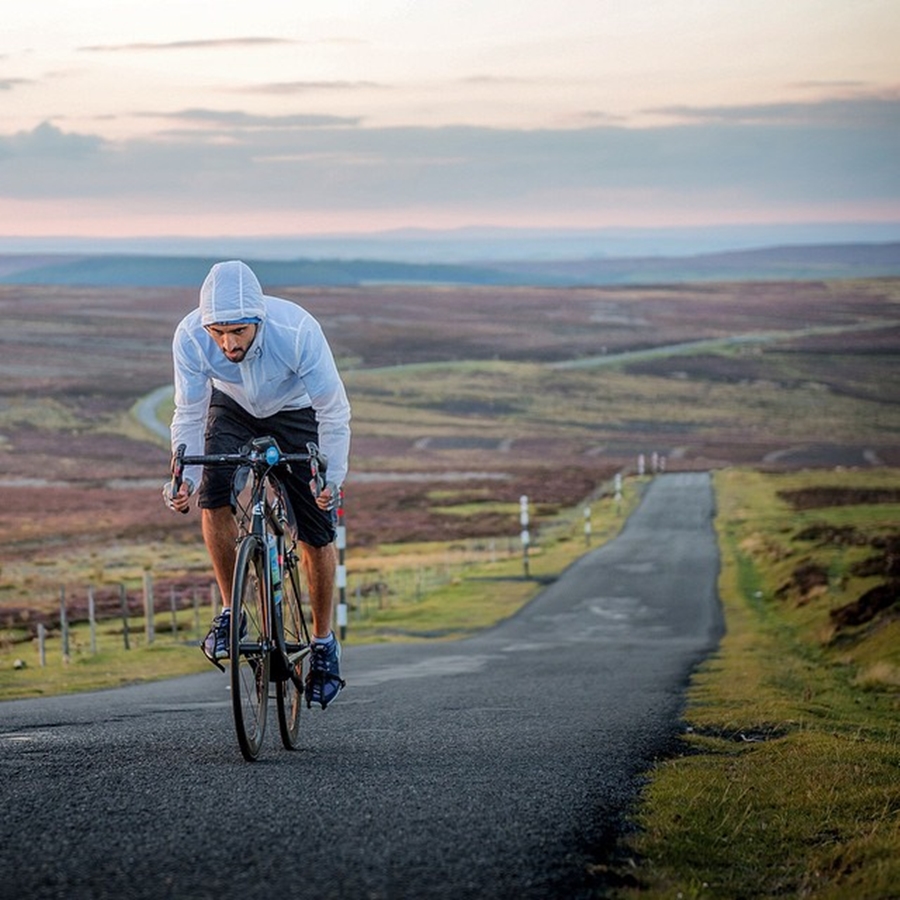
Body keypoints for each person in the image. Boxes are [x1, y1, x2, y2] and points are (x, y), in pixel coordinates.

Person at [163, 260, 350, 709]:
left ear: (258, 321)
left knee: (316, 527)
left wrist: (331, 479)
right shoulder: (190, 336)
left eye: (238, 332)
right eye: (218, 333)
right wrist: (182, 478)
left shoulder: (298, 330)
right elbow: (189, 413)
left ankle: (323, 644)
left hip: (296, 410)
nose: (227, 343)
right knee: (213, 494)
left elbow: (333, 411)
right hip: (232, 408)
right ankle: (231, 613)